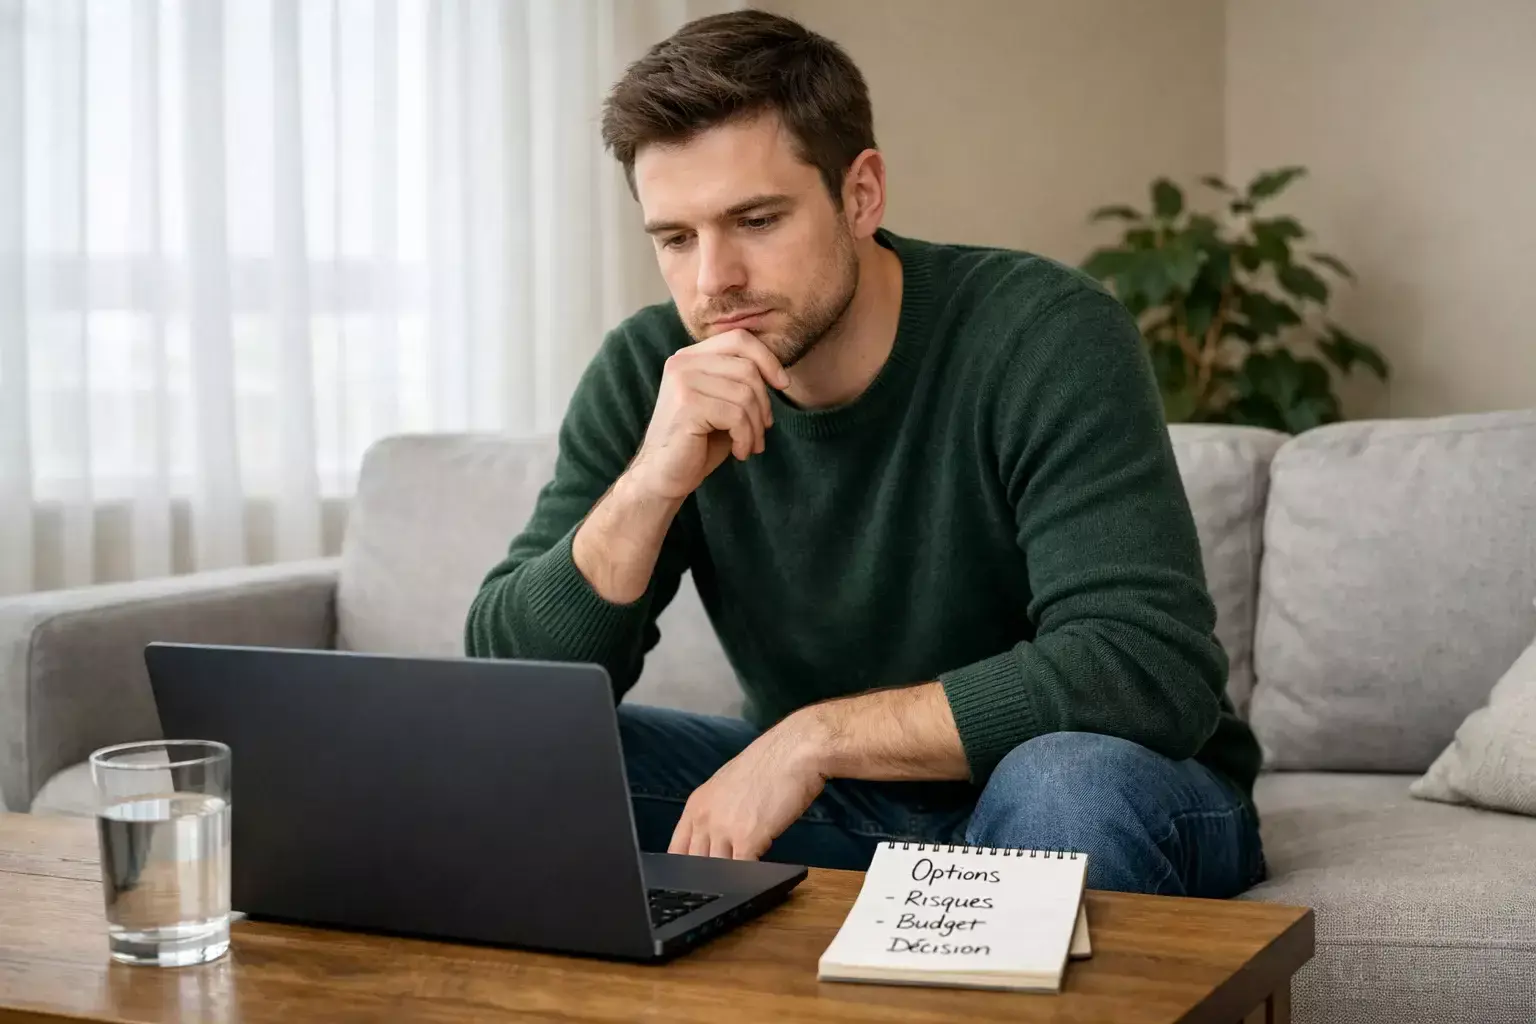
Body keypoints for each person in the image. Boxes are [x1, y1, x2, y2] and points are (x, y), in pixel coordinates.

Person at [464, 9, 1264, 898]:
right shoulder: (649, 372)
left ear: (862, 194)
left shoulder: (1042, 332)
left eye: (757, 220)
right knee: (509, 765)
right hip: (850, 811)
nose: (712, 281)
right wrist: (652, 485)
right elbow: (508, 698)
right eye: (676, 239)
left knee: (1062, 785)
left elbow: (1145, 669)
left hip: (1108, 794)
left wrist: (811, 739)